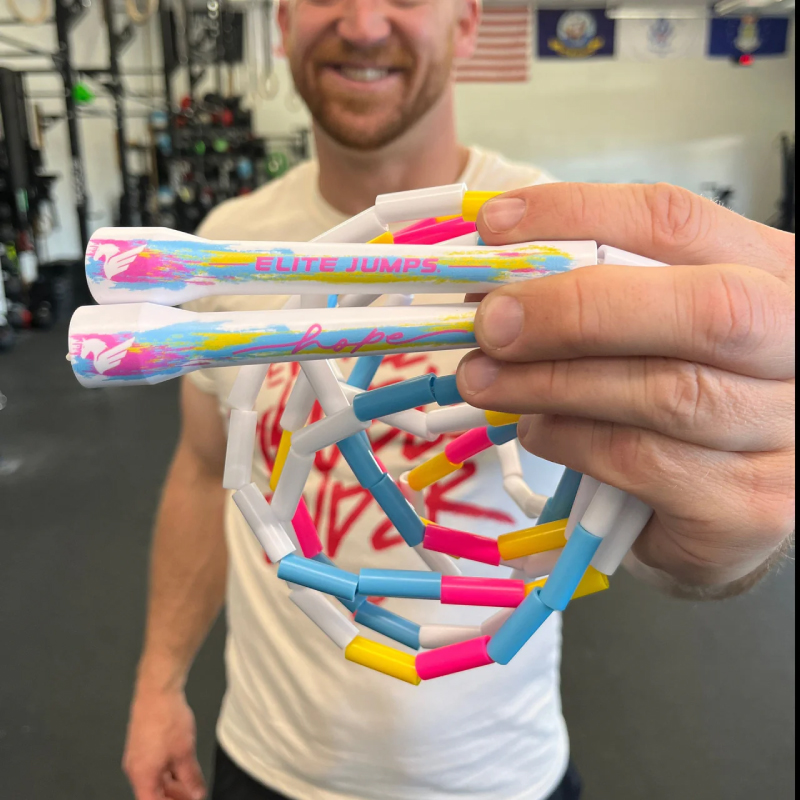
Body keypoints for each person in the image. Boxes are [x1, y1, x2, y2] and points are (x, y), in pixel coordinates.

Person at [122, 2, 795, 799]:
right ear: (282, 22)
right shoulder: (231, 240)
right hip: (268, 759)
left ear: (467, 21)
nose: (364, 23)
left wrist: (730, 525)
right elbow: (207, 471)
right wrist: (159, 681)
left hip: (502, 775)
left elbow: (663, 533)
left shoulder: (573, 255)